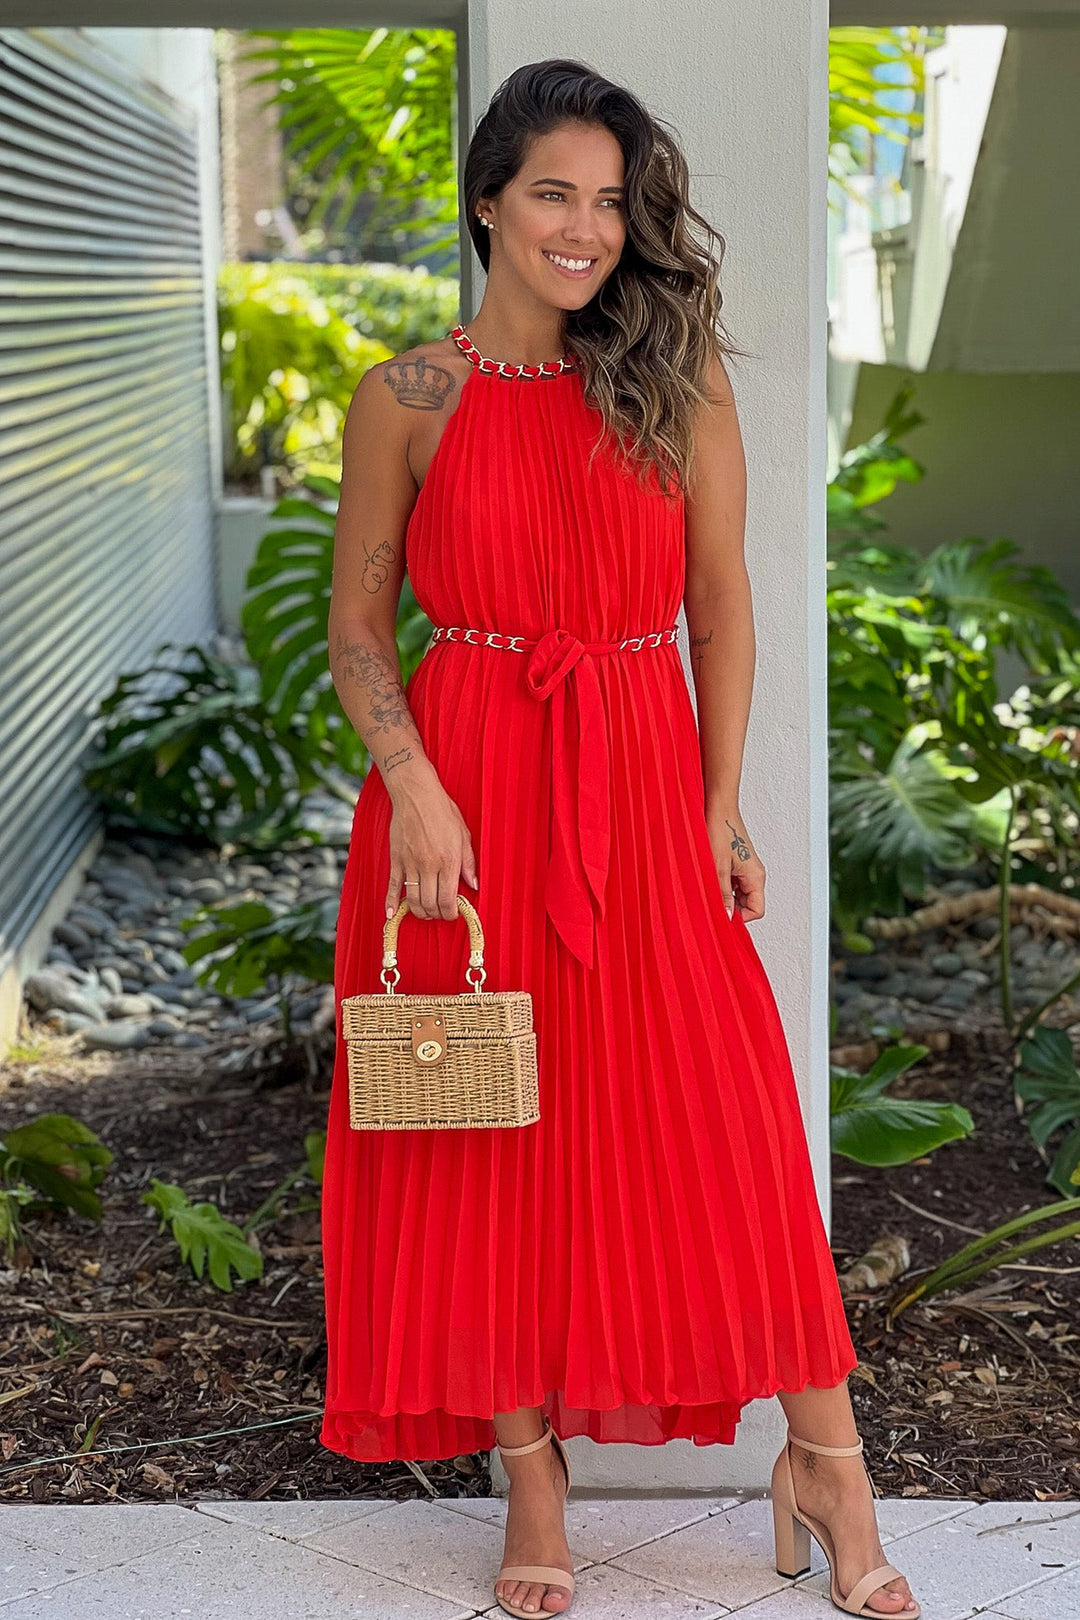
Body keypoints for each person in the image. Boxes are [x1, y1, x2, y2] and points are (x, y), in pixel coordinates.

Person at [320, 56, 920, 1620]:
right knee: (481, 1139)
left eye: (608, 199)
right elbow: (361, 635)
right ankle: (533, 1472)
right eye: (552, 195)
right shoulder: (405, 398)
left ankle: (830, 1463)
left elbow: (720, 608)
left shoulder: (673, 373)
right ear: (489, 204)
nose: (585, 229)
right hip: (462, 805)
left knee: (721, 1126)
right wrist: (422, 790)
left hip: (639, 787)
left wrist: (721, 802)